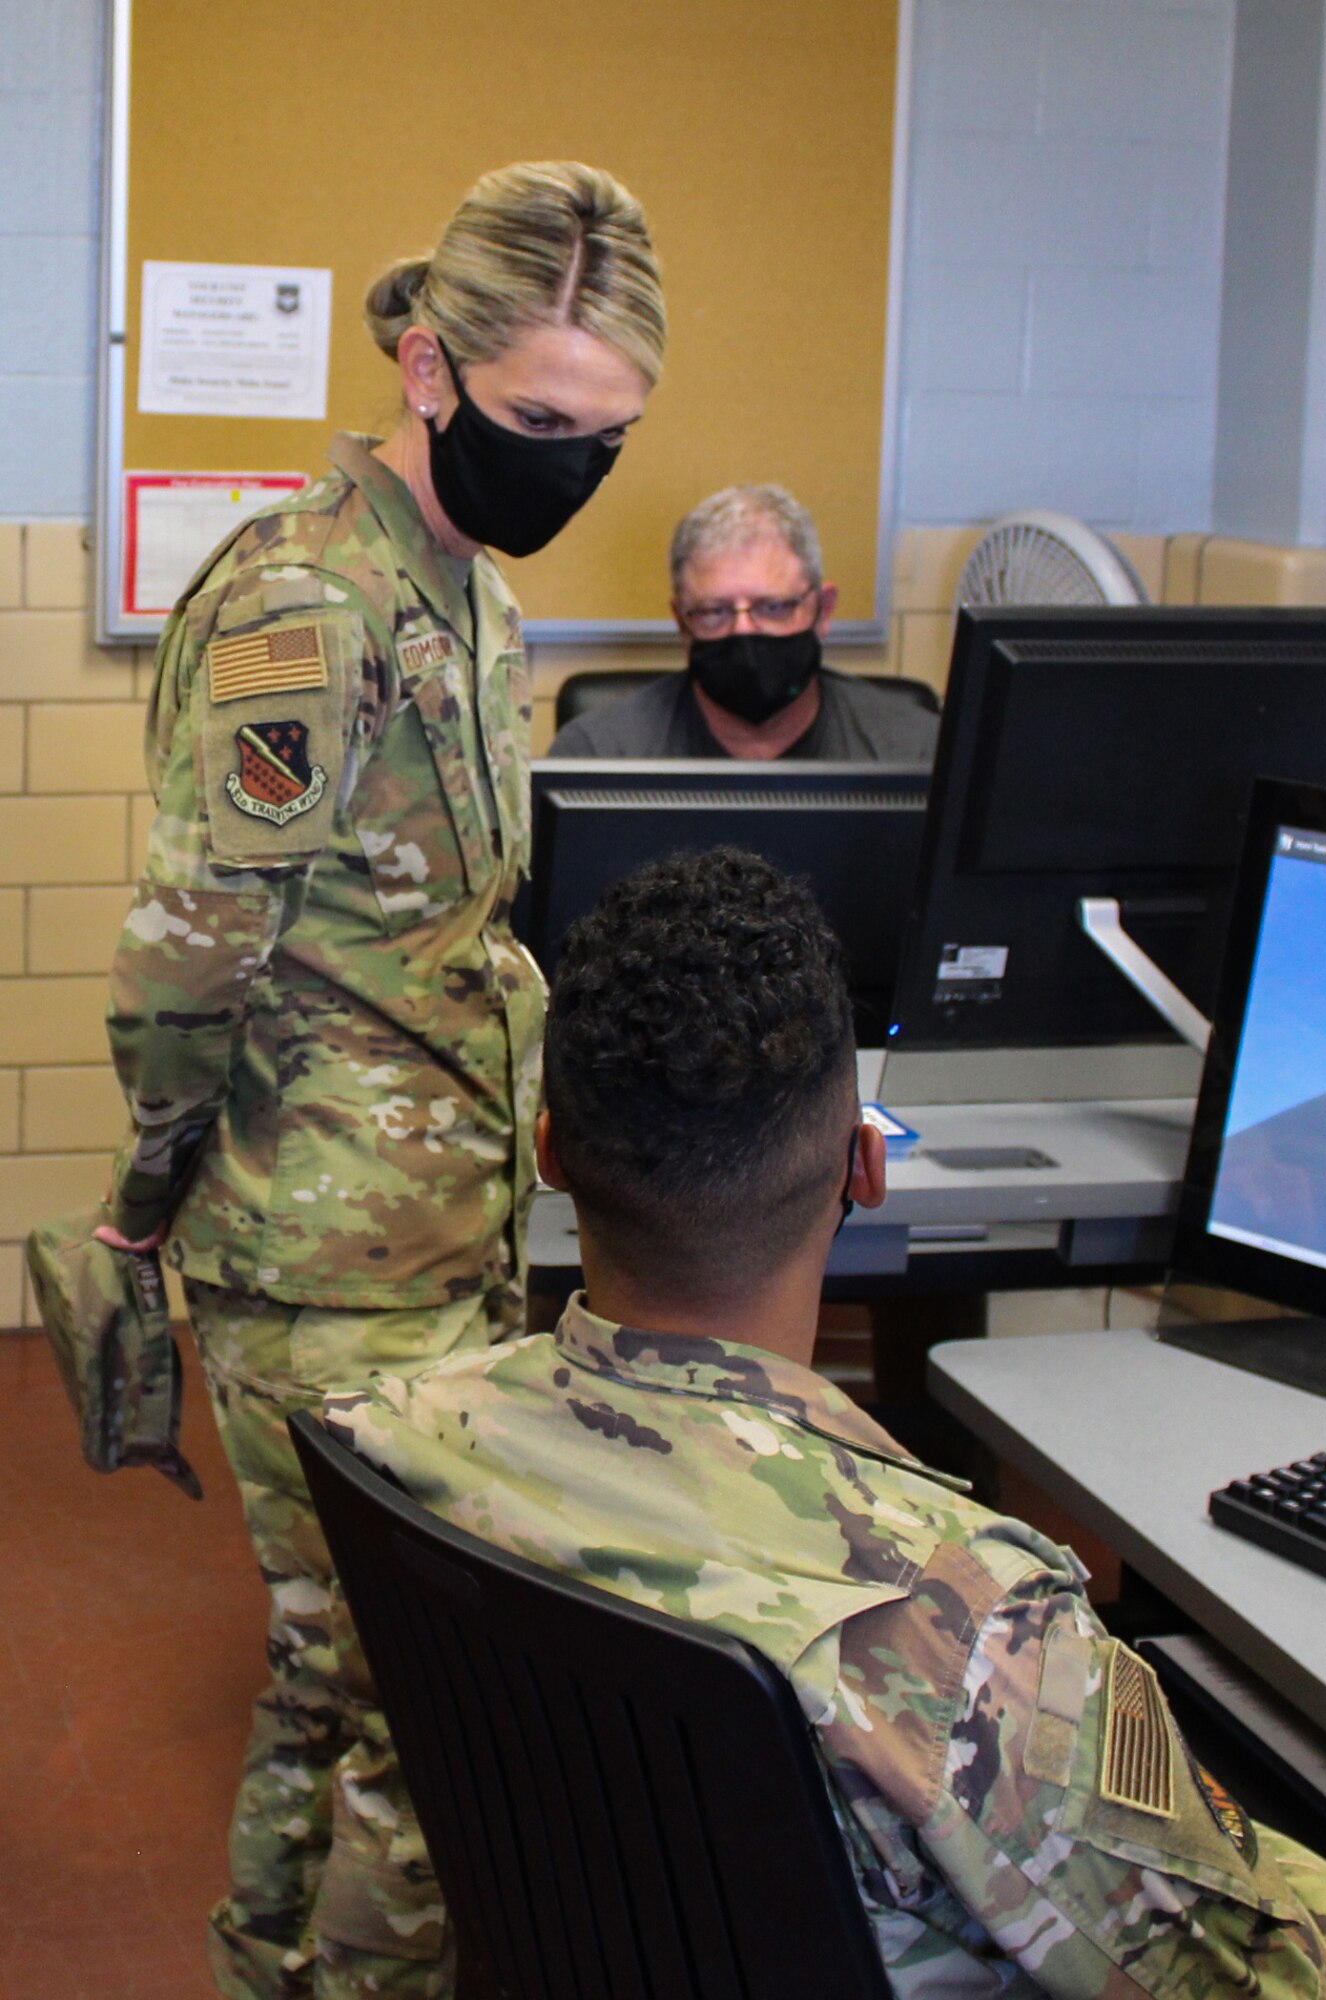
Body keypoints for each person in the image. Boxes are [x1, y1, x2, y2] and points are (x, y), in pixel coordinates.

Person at [328, 849, 1326, 1999]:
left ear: (546, 1155)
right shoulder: (975, 1629)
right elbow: (1263, 1977)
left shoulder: (400, 1439)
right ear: (865, 1163)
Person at [96, 161, 667, 2000]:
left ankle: (268, 1965)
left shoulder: (467, 594)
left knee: (349, 1670)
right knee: (410, 1694)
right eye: (541, 423)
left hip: (440, 1229)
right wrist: (156, 1189)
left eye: (609, 435)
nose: (574, 468)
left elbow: (454, 922)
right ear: (430, 371)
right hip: (320, 1246)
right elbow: (192, 950)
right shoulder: (308, 604)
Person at [546, 482, 939, 760]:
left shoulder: (917, 753)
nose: (744, 632)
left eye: (773, 608)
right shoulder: (600, 753)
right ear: (683, 623)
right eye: (715, 611)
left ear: (824, 610)